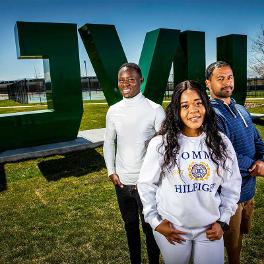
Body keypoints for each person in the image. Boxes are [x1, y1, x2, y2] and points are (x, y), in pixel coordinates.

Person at [137, 80, 241, 264]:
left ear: (206, 106)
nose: (193, 110)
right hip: (173, 228)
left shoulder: (221, 142)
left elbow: (232, 185)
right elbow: (146, 184)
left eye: (198, 103)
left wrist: (223, 221)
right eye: (185, 105)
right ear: (176, 111)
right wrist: (155, 221)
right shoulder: (162, 143)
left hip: (209, 228)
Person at [103, 62, 164, 264]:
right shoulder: (113, 111)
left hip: (146, 184)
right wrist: (111, 171)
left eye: (131, 79)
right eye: (122, 80)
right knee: (130, 227)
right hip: (122, 183)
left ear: (140, 80)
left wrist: (150, 178)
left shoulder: (155, 110)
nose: (126, 83)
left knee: (150, 228)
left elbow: (164, 148)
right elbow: (109, 143)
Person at [205, 61, 264, 264]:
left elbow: (257, 139)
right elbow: (223, 155)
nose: (227, 82)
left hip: (248, 190)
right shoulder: (211, 114)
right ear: (208, 83)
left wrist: (262, 160)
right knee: (230, 248)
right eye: (220, 78)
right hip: (229, 198)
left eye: (229, 77)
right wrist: (256, 166)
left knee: (239, 239)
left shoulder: (240, 108)